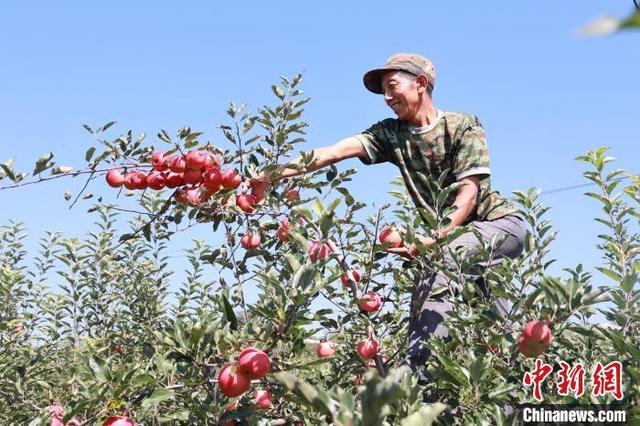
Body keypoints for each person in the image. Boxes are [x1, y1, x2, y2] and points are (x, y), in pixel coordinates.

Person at [251, 53, 526, 377]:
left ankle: (412, 383)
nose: (387, 97)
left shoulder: (463, 126)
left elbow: (468, 193)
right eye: (383, 91)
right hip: (454, 241)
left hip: (498, 226)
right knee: (496, 329)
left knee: (440, 266)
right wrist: (273, 173)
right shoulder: (391, 134)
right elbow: (333, 152)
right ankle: (514, 394)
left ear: (420, 83)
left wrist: (431, 239)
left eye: (392, 86)